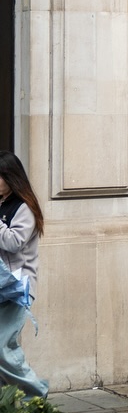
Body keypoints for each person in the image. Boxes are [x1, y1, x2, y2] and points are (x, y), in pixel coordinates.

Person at [0, 153, 46, 398]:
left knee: (3, 347)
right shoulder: (2, 203)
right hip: (2, 286)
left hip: (15, 287)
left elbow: (13, 242)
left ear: (11, 178)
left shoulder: (23, 208)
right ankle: (8, 402)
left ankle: (35, 394)